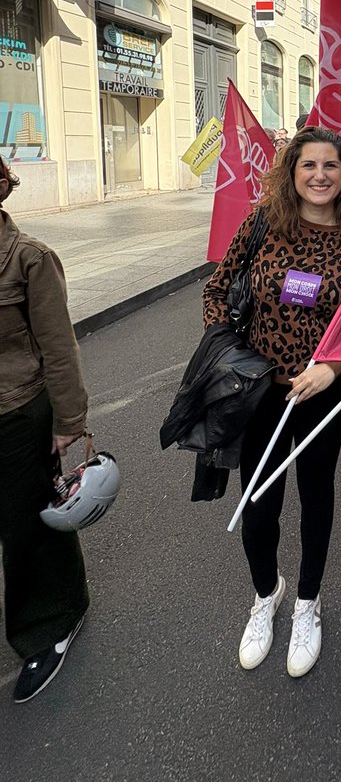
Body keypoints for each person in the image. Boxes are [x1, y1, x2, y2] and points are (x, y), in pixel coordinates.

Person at [203, 128, 341, 676]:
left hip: (326, 389)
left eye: (331, 165)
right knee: (257, 500)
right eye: (309, 165)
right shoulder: (262, 223)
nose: (320, 175)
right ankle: (265, 594)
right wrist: (230, 354)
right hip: (260, 387)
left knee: (316, 491)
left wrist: (336, 366)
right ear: (292, 171)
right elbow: (217, 289)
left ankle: (308, 601)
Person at [0, 157, 90, 703]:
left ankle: (52, 621)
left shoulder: (29, 259)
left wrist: (69, 421)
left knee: (26, 526)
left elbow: (59, 347)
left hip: (18, 412)